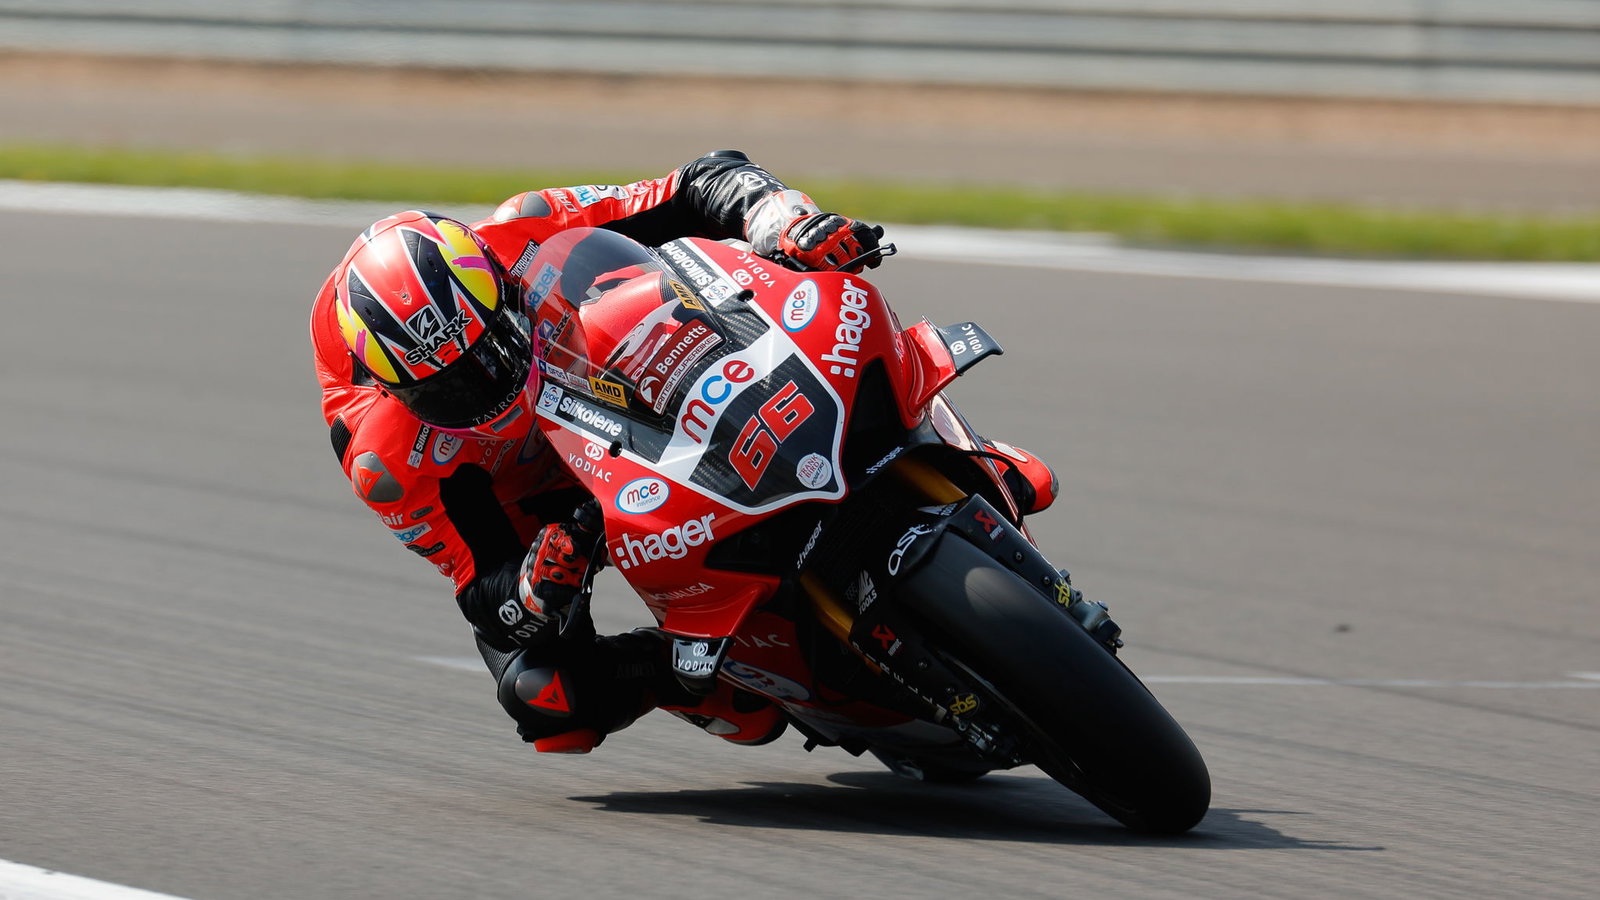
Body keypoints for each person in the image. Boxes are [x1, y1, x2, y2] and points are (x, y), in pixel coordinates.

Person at [309, 151, 1057, 754]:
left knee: (817, 311)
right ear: (398, 389)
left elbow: (700, 183)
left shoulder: (527, 228)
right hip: (539, 504)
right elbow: (483, 585)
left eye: (487, 349)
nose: (482, 384)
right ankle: (712, 673)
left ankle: (957, 449)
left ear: (498, 288)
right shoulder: (383, 457)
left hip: (611, 374)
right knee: (549, 698)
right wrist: (536, 582)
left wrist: (784, 222)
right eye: (451, 387)